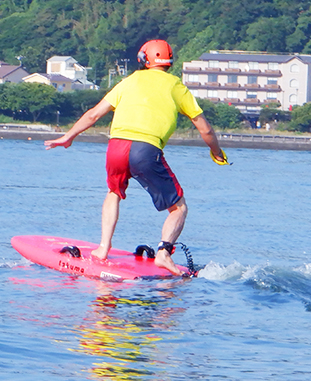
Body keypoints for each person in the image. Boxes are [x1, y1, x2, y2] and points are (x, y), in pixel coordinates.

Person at [44, 39, 228, 275]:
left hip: (116, 147)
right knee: (179, 208)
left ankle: (102, 248)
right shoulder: (176, 86)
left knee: (113, 193)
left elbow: (93, 115)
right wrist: (216, 152)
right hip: (146, 150)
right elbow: (205, 129)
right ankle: (163, 253)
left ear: (144, 59)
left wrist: (68, 137)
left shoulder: (128, 81)